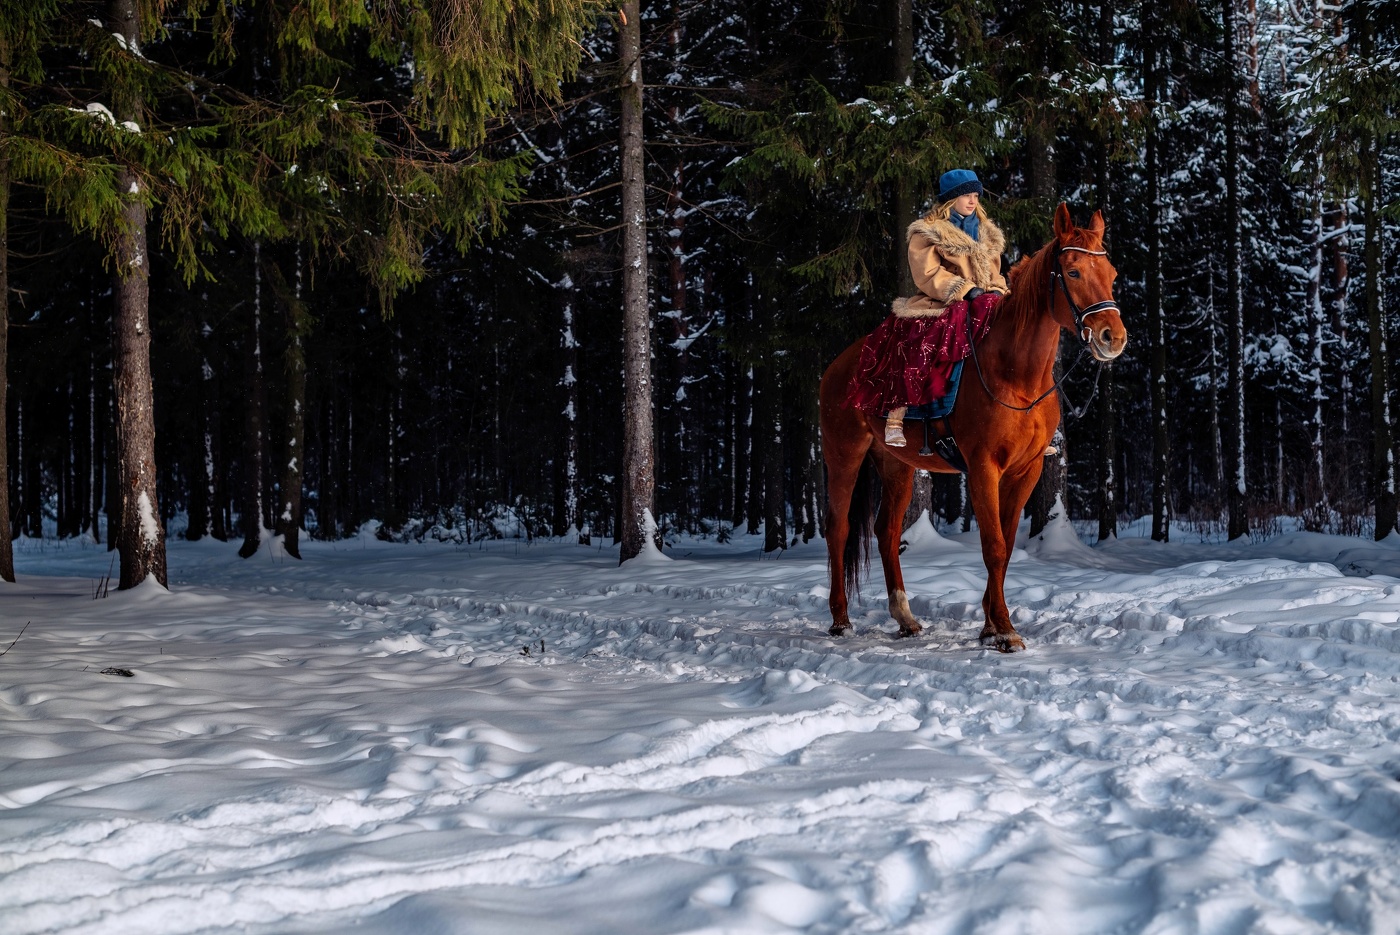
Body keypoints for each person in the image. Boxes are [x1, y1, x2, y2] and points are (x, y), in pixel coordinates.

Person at [847, 169, 1009, 446]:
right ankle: (896, 417)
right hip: (941, 302)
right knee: (920, 344)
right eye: (965, 195)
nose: (972, 201)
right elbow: (928, 274)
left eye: (974, 195)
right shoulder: (927, 233)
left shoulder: (987, 234)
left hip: (984, 300)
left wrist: (996, 289)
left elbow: (995, 272)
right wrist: (966, 290)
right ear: (950, 199)